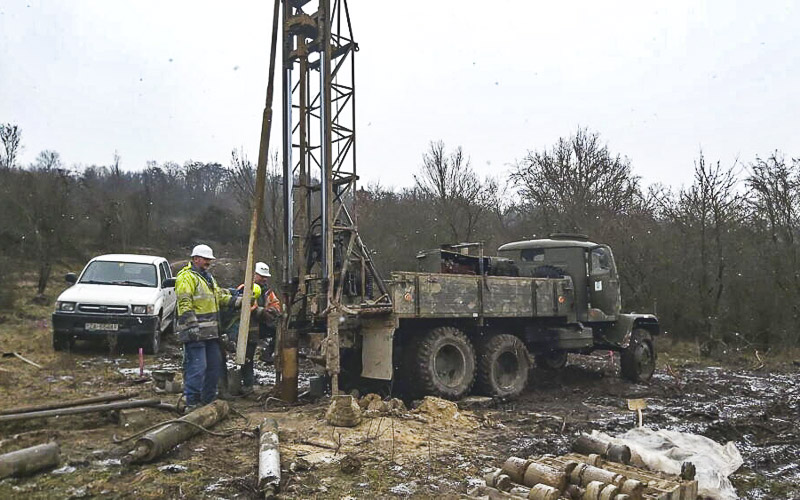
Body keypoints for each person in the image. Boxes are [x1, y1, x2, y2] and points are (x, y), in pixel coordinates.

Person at [175, 244, 239, 411]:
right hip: (195, 333)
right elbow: (184, 302)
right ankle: (192, 402)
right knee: (197, 366)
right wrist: (191, 325)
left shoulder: (208, 278)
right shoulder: (187, 277)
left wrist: (237, 301)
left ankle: (208, 400)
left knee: (214, 366)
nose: (208, 262)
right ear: (196, 259)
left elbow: (218, 297)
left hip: (211, 333)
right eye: (206, 259)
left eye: (209, 260)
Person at [222, 261, 281, 394]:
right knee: (247, 357)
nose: (264, 279)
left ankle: (266, 354)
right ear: (254, 275)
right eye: (262, 276)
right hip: (246, 329)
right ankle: (247, 384)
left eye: (266, 277)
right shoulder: (245, 288)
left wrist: (269, 312)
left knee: (280, 331)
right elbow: (240, 307)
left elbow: (276, 307)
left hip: (259, 327)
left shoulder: (268, 293)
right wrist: (259, 311)